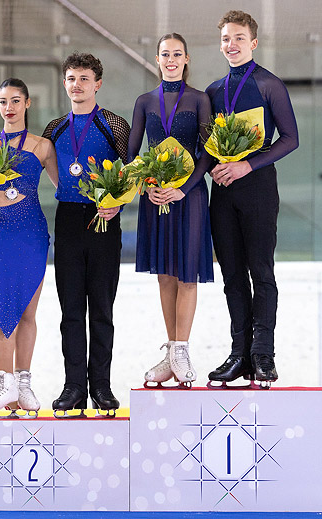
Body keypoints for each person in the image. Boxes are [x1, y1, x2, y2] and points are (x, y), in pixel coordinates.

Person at [206, 10, 299, 388]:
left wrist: (248, 165)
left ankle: (263, 355)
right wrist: (213, 165)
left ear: (253, 42)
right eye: (226, 38)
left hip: (258, 188)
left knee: (260, 271)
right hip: (222, 192)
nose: (232, 45)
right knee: (231, 276)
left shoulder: (269, 85)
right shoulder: (212, 91)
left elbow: (290, 139)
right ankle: (238, 353)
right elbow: (206, 143)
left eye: (239, 38)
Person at [0, 78, 59, 418]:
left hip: (31, 235)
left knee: (28, 313)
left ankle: (24, 382)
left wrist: (106, 194)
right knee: (1, 310)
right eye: (3, 101)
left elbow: (65, 188)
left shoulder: (43, 147)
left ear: (28, 104)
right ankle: (4, 383)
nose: (9, 107)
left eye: (16, 100)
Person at [42, 53, 130, 417]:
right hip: (68, 220)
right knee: (71, 310)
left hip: (104, 221)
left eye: (83, 78)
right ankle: (74, 387)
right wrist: (69, 193)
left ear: (98, 83)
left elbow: (133, 172)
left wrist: (115, 203)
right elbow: (52, 169)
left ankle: (102, 387)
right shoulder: (54, 128)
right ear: (64, 83)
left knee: (102, 310)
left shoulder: (114, 124)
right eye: (70, 78)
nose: (76, 85)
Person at [127, 33, 214, 388]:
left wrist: (182, 188)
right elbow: (133, 151)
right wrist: (147, 183)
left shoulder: (200, 99)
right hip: (155, 196)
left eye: (177, 53)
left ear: (187, 58)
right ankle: (170, 352)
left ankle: (181, 350)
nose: (171, 59)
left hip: (189, 195)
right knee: (165, 273)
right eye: (166, 54)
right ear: (158, 59)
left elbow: (208, 152)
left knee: (187, 273)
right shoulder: (145, 101)